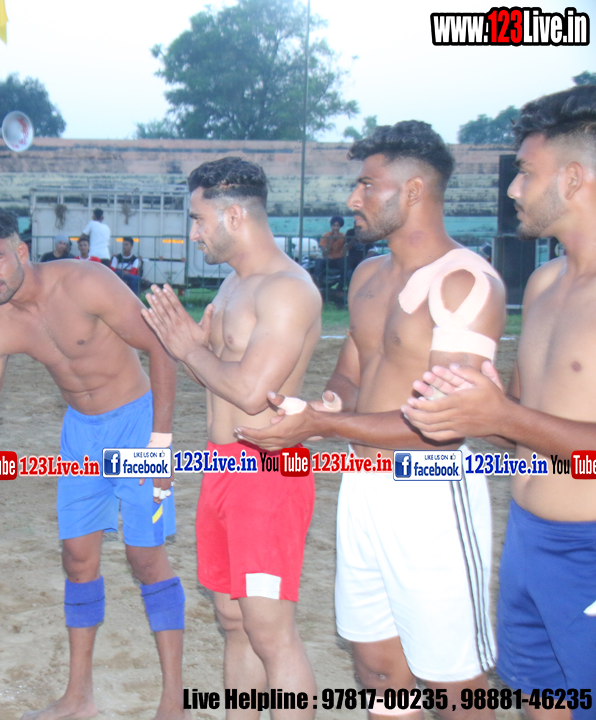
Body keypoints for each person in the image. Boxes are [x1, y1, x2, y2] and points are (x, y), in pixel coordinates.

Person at [238, 121, 506, 719]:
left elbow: (441, 425)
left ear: (413, 191)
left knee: (454, 682)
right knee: (376, 668)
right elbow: (350, 375)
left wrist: (323, 427)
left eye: (366, 184)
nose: (353, 198)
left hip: (432, 490)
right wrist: (324, 405)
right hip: (363, 486)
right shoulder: (367, 276)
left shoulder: (464, 283)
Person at [0, 207, 188, 720]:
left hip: (137, 426)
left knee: (145, 558)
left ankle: (174, 702)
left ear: (20, 251)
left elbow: (161, 347)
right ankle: (79, 698)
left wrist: (160, 445)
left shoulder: (86, 282)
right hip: (80, 438)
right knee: (77, 560)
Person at [402, 86, 596, 713]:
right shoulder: (542, 283)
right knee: (542, 701)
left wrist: (502, 414)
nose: (513, 188)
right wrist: (466, 409)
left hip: (590, 547)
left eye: (526, 172)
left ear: (573, 178)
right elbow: (523, 424)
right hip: (528, 538)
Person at [142, 157, 321, 720]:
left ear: (234, 215)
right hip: (223, 468)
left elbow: (249, 391)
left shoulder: (287, 290)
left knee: (271, 632)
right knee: (232, 619)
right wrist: (191, 348)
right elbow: (217, 374)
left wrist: (189, 350)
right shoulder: (233, 283)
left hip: (269, 471)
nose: (194, 233)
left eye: (198, 219)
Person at [316, 215, 347, 284]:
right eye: (334, 225)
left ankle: (342, 284)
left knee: (345, 263)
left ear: (340, 227)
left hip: (338, 259)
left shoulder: (342, 237)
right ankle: (318, 282)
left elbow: (344, 249)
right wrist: (332, 240)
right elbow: (325, 252)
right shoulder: (325, 236)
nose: (335, 228)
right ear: (331, 226)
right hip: (328, 259)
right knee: (319, 262)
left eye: (337, 226)